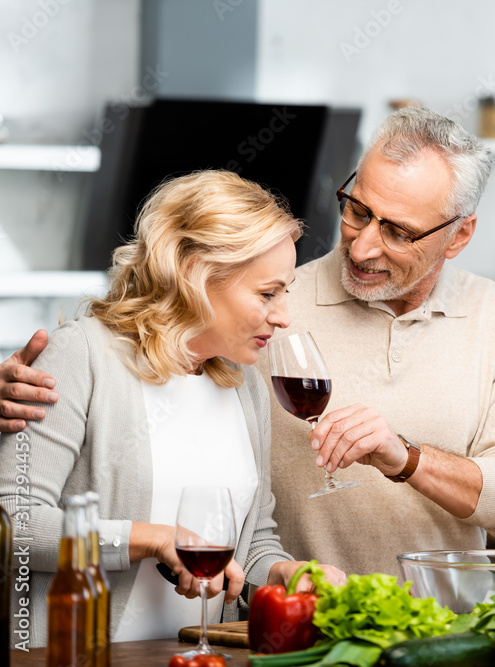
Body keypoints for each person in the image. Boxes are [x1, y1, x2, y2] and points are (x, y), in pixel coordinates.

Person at [0, 108, 495, 577]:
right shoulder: (245, 324)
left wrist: (404, 458)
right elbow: (23, 509)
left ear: (459, 234)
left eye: (399, 231)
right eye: (357, 210)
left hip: (441, 628)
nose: (362, 248)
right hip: (281, 643)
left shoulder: (494, 318)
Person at [0, 171, 345, 647]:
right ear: (194, 274)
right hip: (79, 655)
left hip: (198, 656)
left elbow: (253, 540)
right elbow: (14, 521)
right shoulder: (82, 355)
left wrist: (285, 572)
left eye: (284, 292)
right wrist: (151, 538)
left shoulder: (245, 383)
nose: (283, 315)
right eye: (267, 293)